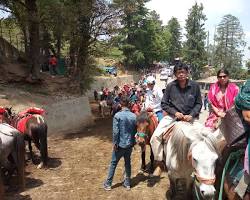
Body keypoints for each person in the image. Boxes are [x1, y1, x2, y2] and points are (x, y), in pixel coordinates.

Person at [150, 62, 202, 161]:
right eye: (178, 72)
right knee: (155, 137)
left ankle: (200, 166)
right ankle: (160, 162)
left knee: (204, 137)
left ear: (187, 73)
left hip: (189, 117)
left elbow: (199, 103)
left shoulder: (195, 86)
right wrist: (175, 113)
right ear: (175, 74)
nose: (181, 74)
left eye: (183, 72)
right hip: (172, 117)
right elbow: (164, 103)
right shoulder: (170, 86)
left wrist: (191, 115)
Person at [103, 96, 137, 191]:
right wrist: (133, 142)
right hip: (129, 144)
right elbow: (135, 131)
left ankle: (108, 184)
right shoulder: (134, 116)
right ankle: (127, 184)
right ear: (129, 104)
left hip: (120, 145)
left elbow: (115, 132)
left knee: (113, 163)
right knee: (127, 163)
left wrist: (114, 143)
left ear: (121, 104)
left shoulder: (117, 115)